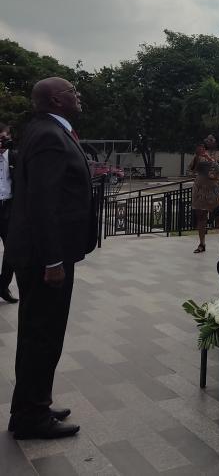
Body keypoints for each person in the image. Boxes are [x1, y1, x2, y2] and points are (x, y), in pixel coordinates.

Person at [6, 77, 97, 440]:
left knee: (38, 333)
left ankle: (32, 404)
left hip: (42, 253)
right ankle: (31, 416)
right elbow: (42, 203)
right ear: (57, 100)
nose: (78, 95)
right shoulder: (48, 135)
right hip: (44, 258)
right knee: (42, 336)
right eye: (73, 91)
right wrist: (53, 261)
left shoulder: (47, 130)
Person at [188, 135, 219, 254]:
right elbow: (191, 169)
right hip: (200, 187)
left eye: (211, 139)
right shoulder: (200, 154)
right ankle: (202, 243)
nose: (208, 141)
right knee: (200, 215)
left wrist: (209, 158)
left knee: (218, 215)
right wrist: (197, 156)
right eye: (206, 139)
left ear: (216, 142)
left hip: (215, 187)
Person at [0, 123, 18, 303]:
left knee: (12, 250)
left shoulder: (15, 157)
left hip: (8, 209)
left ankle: (3, 286)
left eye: (4, 139)